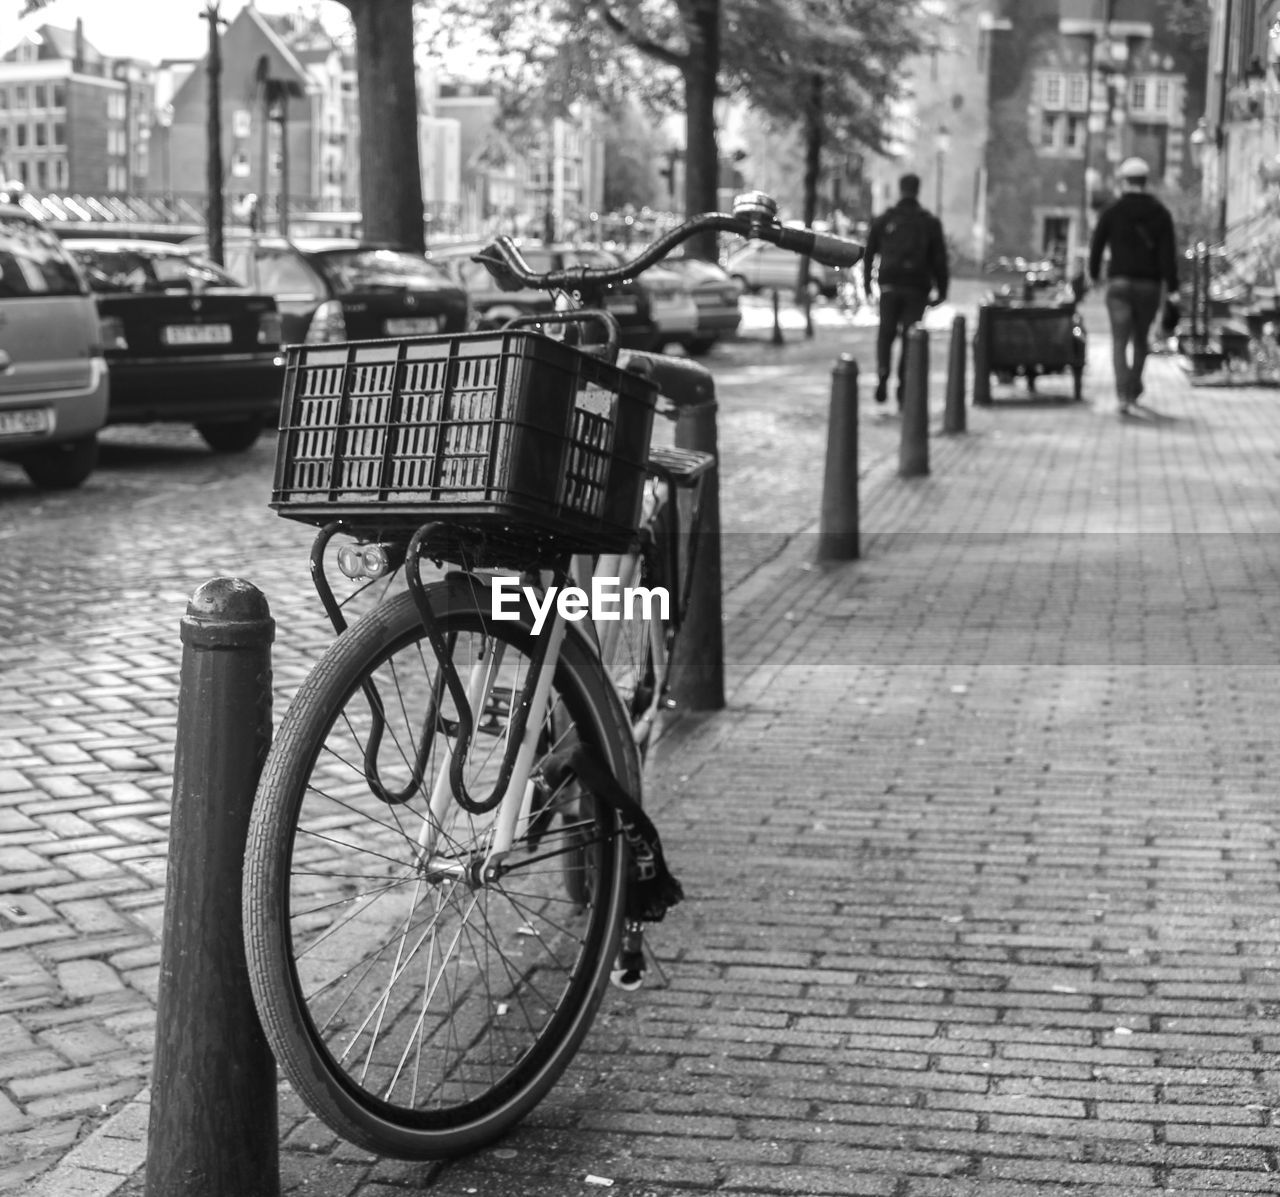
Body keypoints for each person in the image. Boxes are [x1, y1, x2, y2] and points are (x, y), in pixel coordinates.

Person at [1087, 156, 1180, 414]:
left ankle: (1123, 395)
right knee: (1140, 339)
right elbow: (1167, 255)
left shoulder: (1112, 211)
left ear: (1124, 181)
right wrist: (1172, 288)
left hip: (1118, 285)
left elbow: (1096, 245)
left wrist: (1094, 275)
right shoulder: (1160, 213)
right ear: (1145, 181)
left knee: (1119, 340)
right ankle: (1133, 387)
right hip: (1148, 287)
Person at [862, 173, 950, 406]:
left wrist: (867, 286)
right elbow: (940, 259)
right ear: (917, 190)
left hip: (889, 284)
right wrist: (942, 290)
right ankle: (903, 384)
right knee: (911, 336)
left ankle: (883, 371)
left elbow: (868, 253)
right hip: (916, 287)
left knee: (886, 332)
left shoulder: (884, 219)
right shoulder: (929, 222)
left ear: (901, 190)